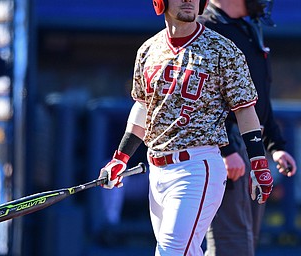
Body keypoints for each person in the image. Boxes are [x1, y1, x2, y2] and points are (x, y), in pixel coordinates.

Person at [99, 0, 274, 255]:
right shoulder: (149, 49)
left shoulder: (222, 49)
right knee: (187, 251)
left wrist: (258, 162)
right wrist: (120, 158)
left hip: (198, 166)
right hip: (157, 170)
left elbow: (245, 109)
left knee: (170, 251)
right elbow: (143, 107)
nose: (188, 0)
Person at [197, 0, 298, 255]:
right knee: (230, 241)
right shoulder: (205, 29)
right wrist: (226, 149)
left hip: (253, 146)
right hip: (224, 147)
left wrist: (275, 146)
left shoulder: (247, 28)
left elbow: (259, 97)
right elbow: (202, 101)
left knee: (247, 240)